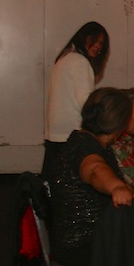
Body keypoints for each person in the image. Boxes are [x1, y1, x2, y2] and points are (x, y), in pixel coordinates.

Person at [46, 87, 134, 266]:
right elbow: (94, 169)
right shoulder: (85, 148)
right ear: (121, 123)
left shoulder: (82, 139)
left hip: (82, 241)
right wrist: (116, 187)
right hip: (82, 248)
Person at [43, 21, 110, 176]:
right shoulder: (80, 62)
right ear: (85, 37)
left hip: (55, 133)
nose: (98, 46)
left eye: (102, 44)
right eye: (96, 40)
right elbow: (86, 103)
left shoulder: (64, 59)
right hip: (72, 134)